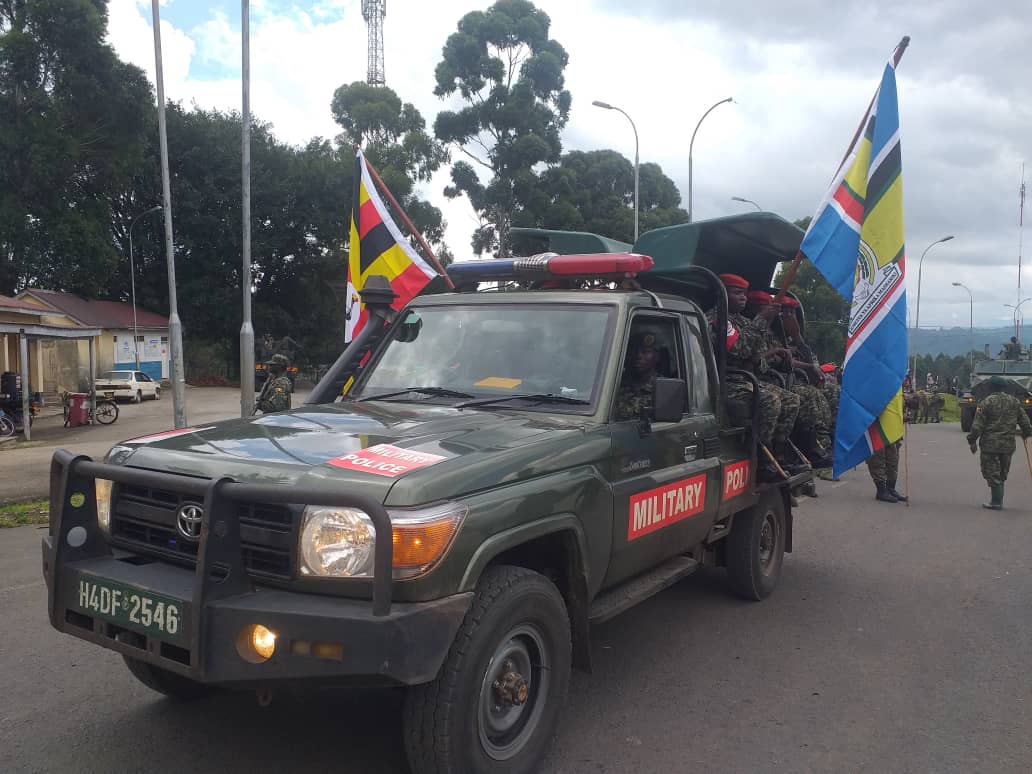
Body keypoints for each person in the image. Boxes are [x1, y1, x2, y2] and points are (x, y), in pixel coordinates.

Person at [710, 274, 807, 481]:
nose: (743, 298)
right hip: (723, 380)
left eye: (745, 294)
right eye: (737, 293)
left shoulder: (743, 322)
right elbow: (739, 348)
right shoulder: (718, 319)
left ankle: (779, 455)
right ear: (722, 294)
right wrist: (762, 319)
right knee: (770, 401)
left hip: (745, 377)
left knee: (791, 400)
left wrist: (775, 353)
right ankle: (760, 461)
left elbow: (756, 356)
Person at [966, 375, 1032, 509]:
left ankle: (996, 502)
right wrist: (1026, 433)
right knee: (1002, 473)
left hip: (990, 445)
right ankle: (997, 500)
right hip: (1008, 445)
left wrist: (972, 441)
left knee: (991, 473)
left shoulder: (986, 403)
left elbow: (977, 426)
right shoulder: (1014, 402)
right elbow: (1025, 421)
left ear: (991, 387)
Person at [615, 329, 660, 420]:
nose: (638, 356)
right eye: (634, 351)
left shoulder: (661, 387)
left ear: (656, 356)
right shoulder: (617, 382)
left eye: (645, 352)